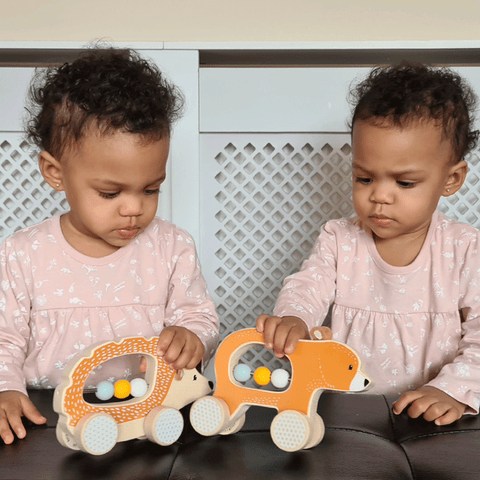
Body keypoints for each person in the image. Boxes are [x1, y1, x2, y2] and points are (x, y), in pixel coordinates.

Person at [0, 48, 219, 444]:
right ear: (55, 173)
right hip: (54, 416)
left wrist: (192, 335)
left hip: (150, 412)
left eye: (151, 189)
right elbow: (4, 337)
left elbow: (199, 316)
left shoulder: (172, 247)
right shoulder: (21, 254)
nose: (134, 208)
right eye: (109, 192)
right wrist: (5, 389)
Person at [257, 62, 480, 426]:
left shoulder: (465, 249)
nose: (379, 196)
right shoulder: (340, 238)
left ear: (451, 179)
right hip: (347, 410)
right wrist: (293, 318)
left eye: (404, 183)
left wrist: (451, 390)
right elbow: (307, 286)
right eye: (364, 178)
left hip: (433, 414)